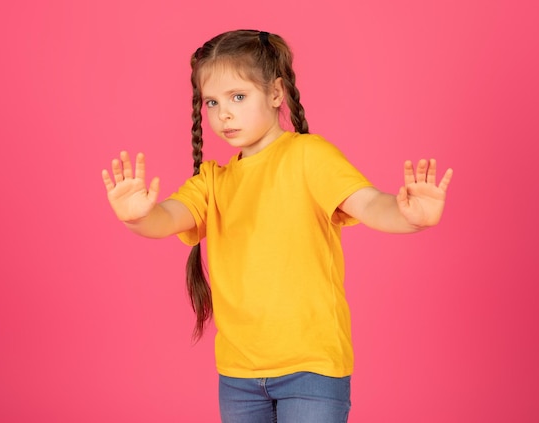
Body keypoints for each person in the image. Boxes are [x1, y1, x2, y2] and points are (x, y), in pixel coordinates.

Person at [101, 29, 453, 423]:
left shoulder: (309, 156)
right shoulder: (212, 180)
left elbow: (369, 203)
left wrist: (409, 216)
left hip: (312, 367)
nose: (224, 114)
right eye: (212, 102)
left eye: (238, 97)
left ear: (275, 93)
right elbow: (167, 218)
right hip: (238, 374)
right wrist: (138, 216)